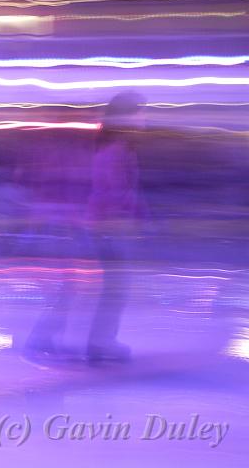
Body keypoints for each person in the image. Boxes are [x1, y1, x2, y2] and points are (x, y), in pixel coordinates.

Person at [86, 90, 146, 363]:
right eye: (137, 112)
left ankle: (101, 341)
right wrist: (129, 216)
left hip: (107, 226)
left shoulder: (116, 146)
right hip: (108, 228)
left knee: (115, 287)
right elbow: (113, 192)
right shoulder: (115, 150)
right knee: (116, 288)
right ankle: (100, 343)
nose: (142, 119)